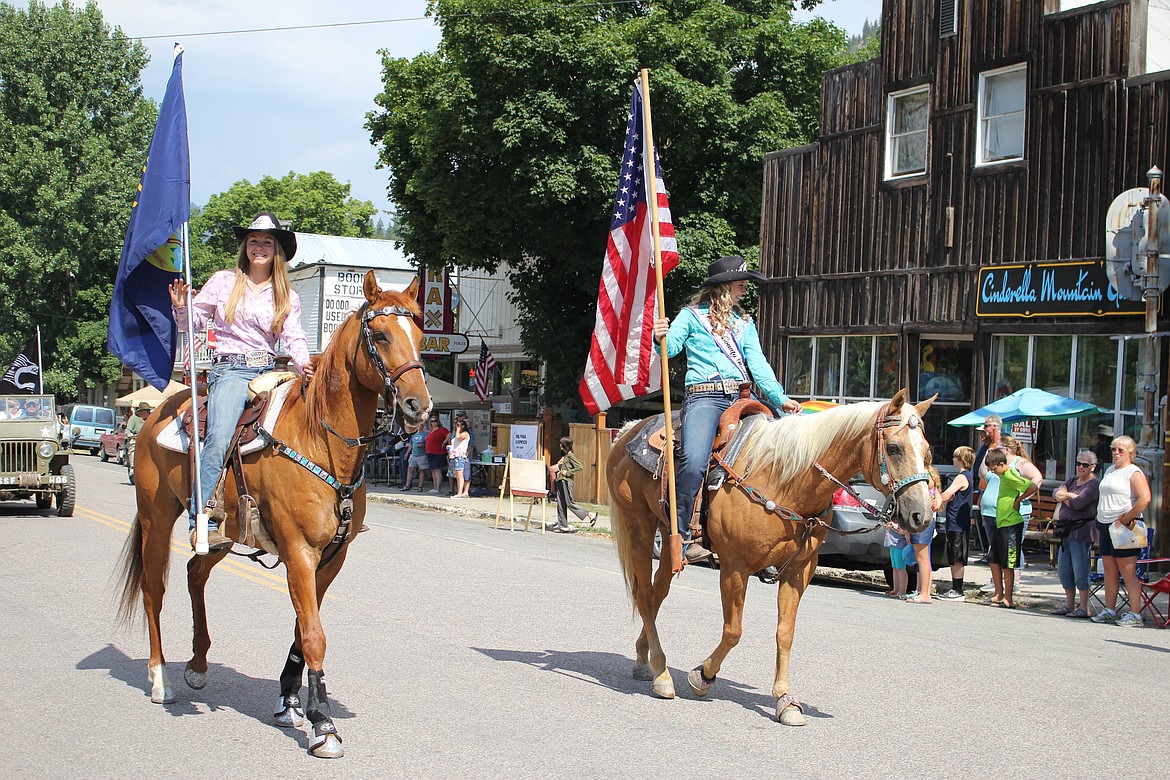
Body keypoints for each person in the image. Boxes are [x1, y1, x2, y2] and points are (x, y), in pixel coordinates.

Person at [169, 213, 312, 553]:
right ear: (245, 247)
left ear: (276, 250)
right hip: (231, 371)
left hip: (271, 371)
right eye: (253, 241)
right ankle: (202, 519)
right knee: (218, 438)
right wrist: (180, 308)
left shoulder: (286, 295)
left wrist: (306, 365)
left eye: (266, 242)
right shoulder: (223, 282)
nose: (258, 247)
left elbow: (293, 337)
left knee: (304, 426)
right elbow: (193, 322)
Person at [651, 256, 801, 562]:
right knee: (693, 460)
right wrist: (659, 337)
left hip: (740, 397)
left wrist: (779, 398)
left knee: (777, 451)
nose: (745, 289)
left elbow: (757, 364)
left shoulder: (745, 323)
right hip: (704, 397)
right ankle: (682, 530)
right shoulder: (691, 317)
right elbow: (670, 350)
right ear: (723, 286)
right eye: (740, 284)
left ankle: (775, 536)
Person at [1091, 436, 1151, 627]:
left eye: (1121, 450)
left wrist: (1127, 516)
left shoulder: (1133, 472)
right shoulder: (1110, 470)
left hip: (1124, 526)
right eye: (1113, 449)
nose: (1116, 453)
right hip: (1105, 523)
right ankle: (1110, 609)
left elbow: (1145, 498)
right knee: (1109, 569)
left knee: (1128, 571)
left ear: (1130, 453)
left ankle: (1135, 614)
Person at [985, 448, 1038, 609]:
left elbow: (1032, 486)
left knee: (1008, 562)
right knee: (993, 558)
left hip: (1011, 523)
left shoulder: (1010, 474)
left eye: (995, 469)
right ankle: (998, 592)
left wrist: (1019, 500)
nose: (994, 473)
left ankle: (1008, 597)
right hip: (1001, 521)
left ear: (1002, 464)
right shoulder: (1002, 474)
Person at [1050, 450, 1100, 619]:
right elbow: (1055, 493)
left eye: (1085, 465)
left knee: (1080, 569)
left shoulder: (1093, 484)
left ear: (1093, 467)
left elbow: (1080, 503)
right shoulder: (1072, 479)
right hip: (1066, 531)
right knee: (1064, 570)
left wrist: (1065, 496)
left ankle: (1084, 606)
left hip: (1082, 531)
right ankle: (1069, 604)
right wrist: (1069, 495)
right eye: (1078, 463)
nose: (1080, 467)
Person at [935, 445, 974, 600]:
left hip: (957, 522)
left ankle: (958, 589)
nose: (952, 459)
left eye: (955, 457)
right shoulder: (967, 476)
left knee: (957, 555)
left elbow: (946, 495)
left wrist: (936, 496)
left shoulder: (961, 477)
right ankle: (955, 587)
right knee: (953, 554)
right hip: (956, 521)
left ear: (961, 459)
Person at [548, 436, 597, 533]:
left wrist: (568, 473)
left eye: (561, 444)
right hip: (561, 481)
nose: (560, 446)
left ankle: (590, 514)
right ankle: (563, 526)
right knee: (561, 503)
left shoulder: (571, 456)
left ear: (564, 445)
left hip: (567, 481)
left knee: (569, 503)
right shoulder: (566, 456)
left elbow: (579, 467)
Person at [972, 415, 1003, 562]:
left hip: (998, 496)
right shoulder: (984, 447)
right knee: (984, 525)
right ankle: (988, 554)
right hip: (985, 490)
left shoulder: (1000, 446)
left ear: (994, 427)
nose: (982, 433)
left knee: (1001, 541)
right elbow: (981, 472)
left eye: (985, 427)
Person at [447, 417, 471, 499]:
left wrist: (458, 428)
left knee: (460, 474)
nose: (457, 426)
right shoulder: (455, 434)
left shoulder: (465, 433)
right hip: (454, 455)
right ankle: (459, 492)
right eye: (456, 425)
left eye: (459, 425)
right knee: (456, 475)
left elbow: (458, 437)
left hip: (460, 456)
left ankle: (460, 493)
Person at [424, 416, 449, 494]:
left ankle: (438, 488)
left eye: (435, 421)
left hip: (438, 452)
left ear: (438, 421)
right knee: (433, 470)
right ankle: (434, 487)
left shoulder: (442, 430)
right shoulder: (430, 431)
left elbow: (449, 435)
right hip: (430, 452)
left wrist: (444, 442)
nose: (433, 423)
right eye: (431, 421)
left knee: (437, 470)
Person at [402, 425, 428, 491]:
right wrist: (407, 453)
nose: (418, 426)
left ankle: (420, 487)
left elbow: (429, 443)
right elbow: (411, 444)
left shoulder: (426, 434)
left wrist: (423, 445)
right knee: (410, 469)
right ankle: (407, 485)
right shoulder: (413, 435)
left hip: (422, 454)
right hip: (413, 454)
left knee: (421, 471)